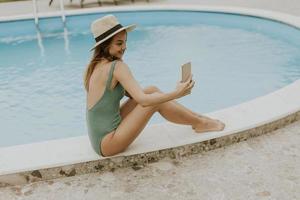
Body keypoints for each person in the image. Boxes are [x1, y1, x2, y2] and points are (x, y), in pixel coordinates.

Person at [83, 14, 225, 157]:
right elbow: (144, 102)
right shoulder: (117, 67)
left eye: (125, 42)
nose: (124, 47)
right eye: (119, 43)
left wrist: (166, 95)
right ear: (105, 45)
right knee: (153, 102)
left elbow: (137, 95)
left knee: (152, 90)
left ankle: (197, 118)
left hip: (99, 139)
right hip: (107, 143)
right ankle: (200, 123)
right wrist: (177, 93)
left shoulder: (96, 65)